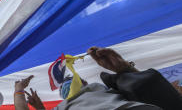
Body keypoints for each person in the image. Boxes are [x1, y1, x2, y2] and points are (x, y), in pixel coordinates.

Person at [14, 47, 182, 110]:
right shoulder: (60, 108)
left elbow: (149, 92)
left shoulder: (103, 89)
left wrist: (124, 69)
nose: (75, 83)